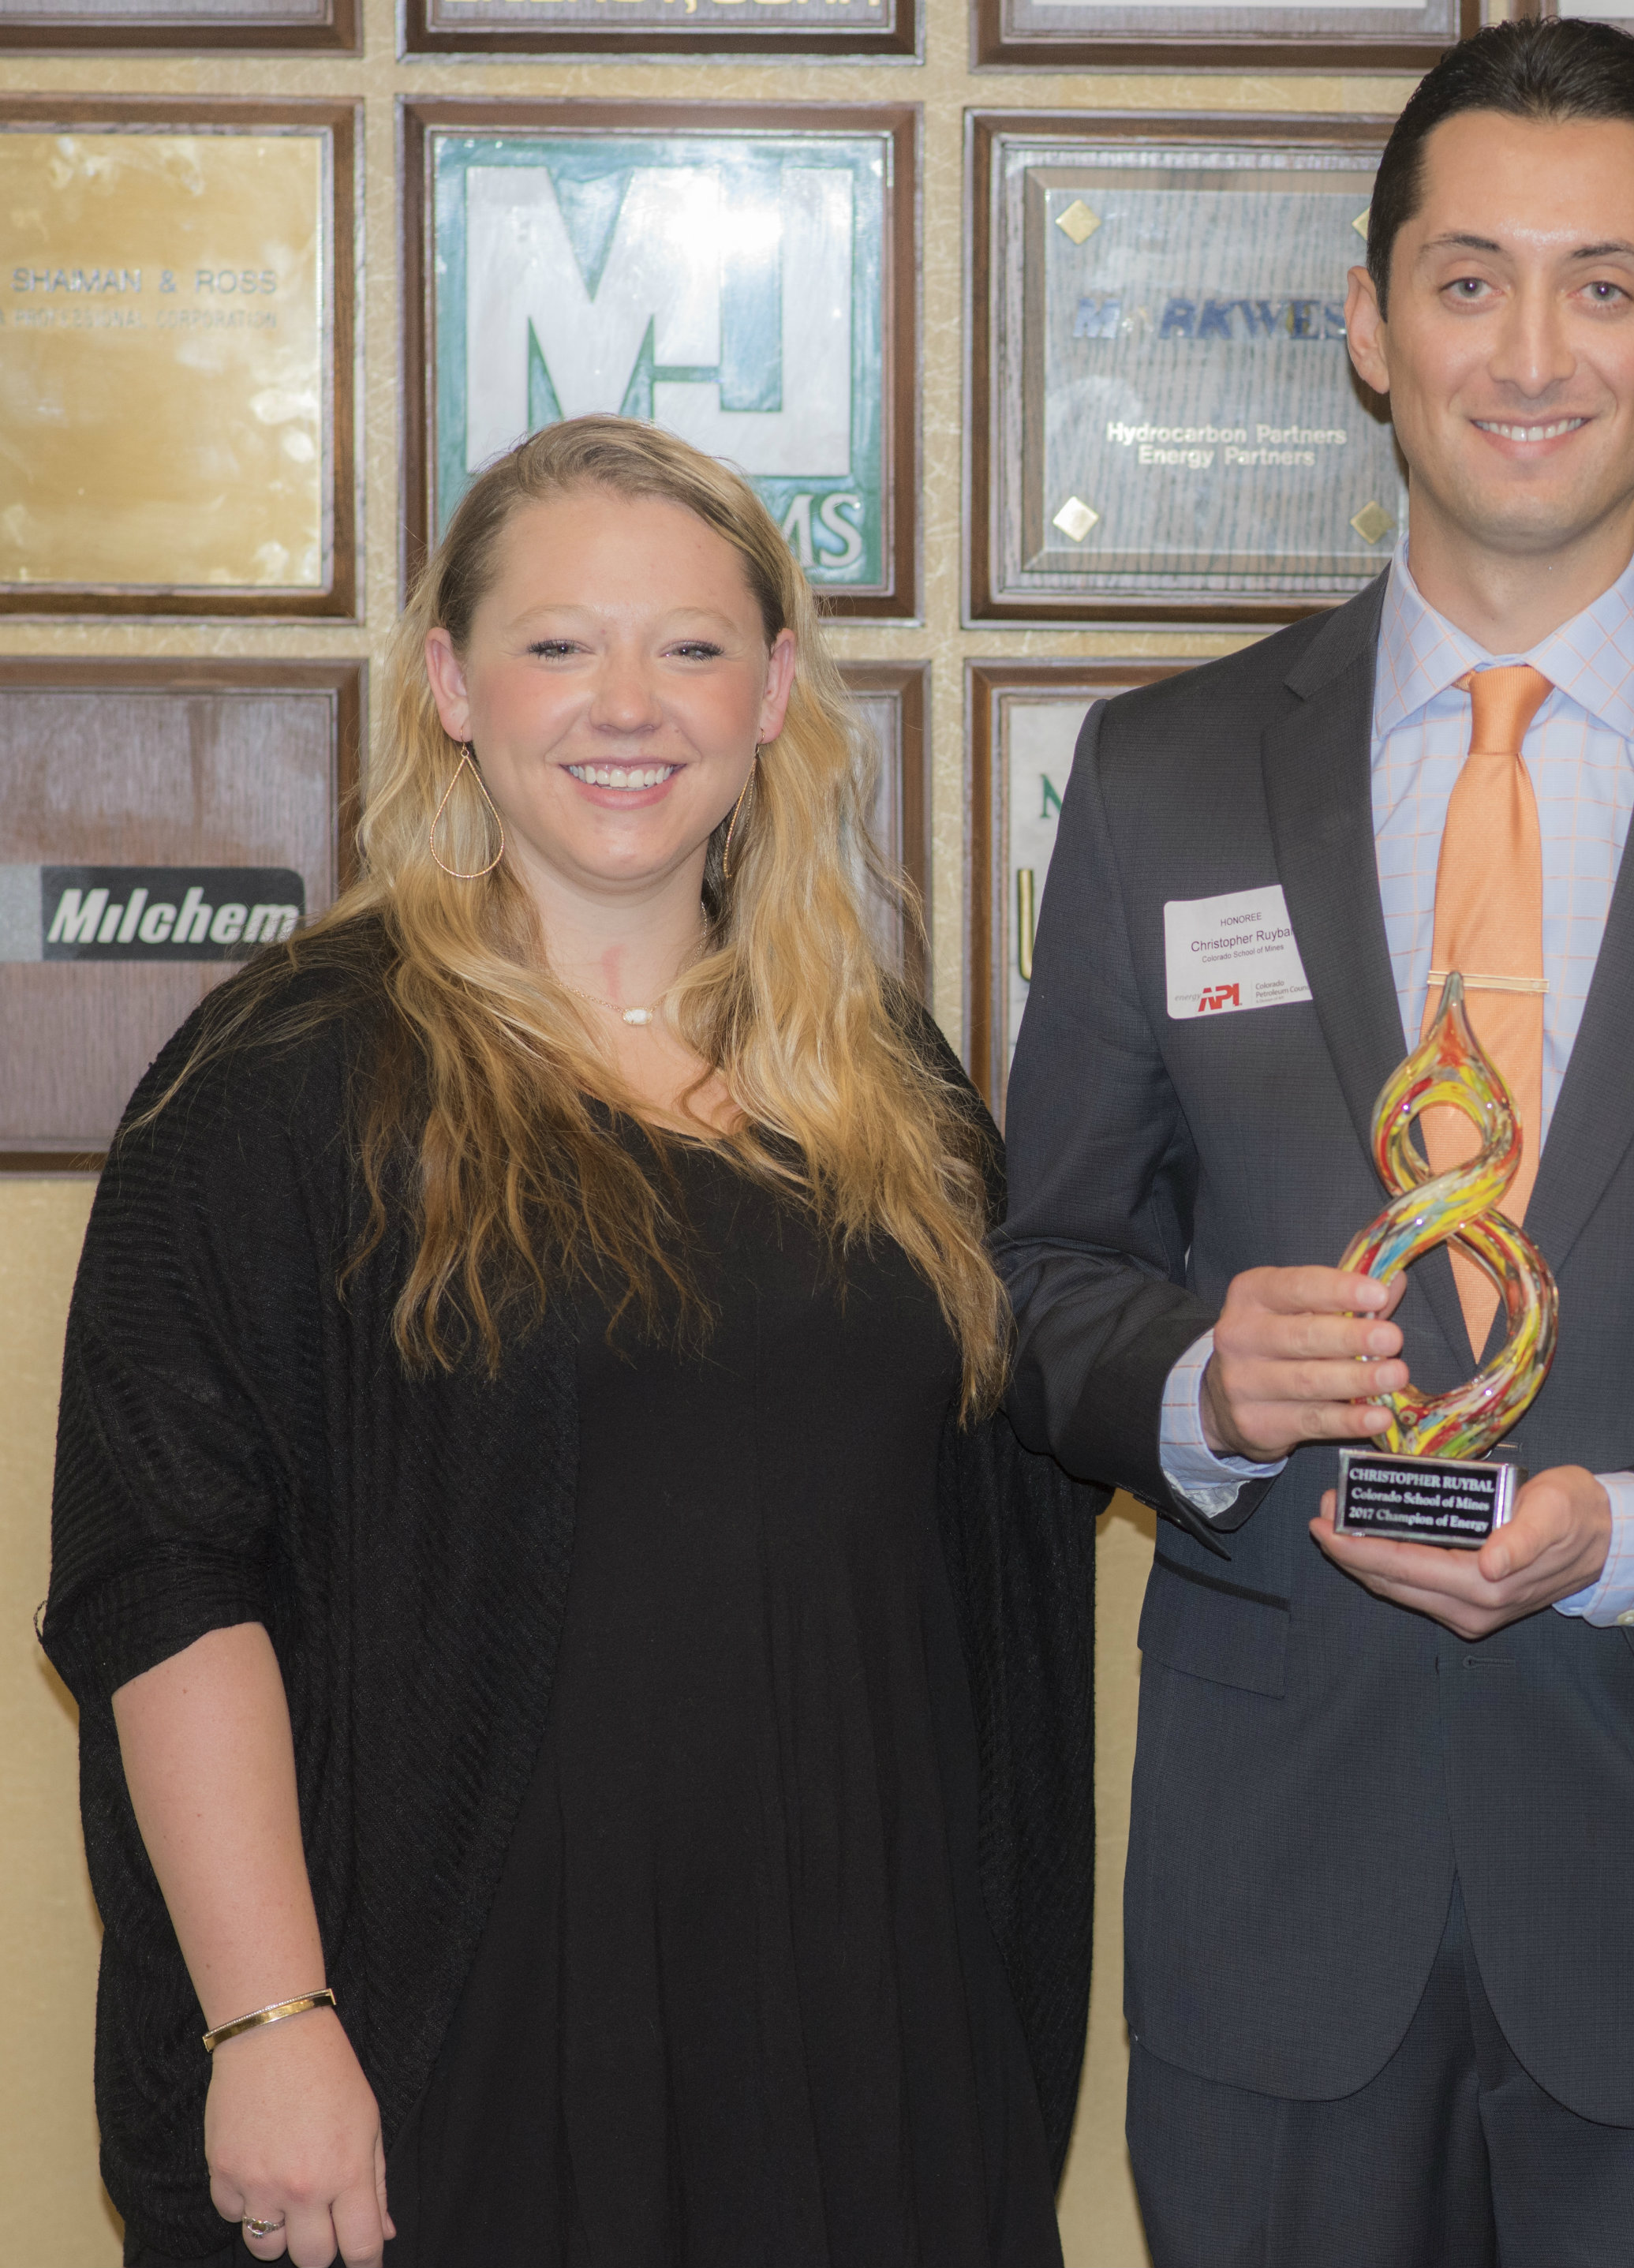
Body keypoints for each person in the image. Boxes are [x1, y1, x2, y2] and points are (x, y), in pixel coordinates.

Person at [993, 21, 1634, 2265]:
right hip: (1286, 1921)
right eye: (1466, 281)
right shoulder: (1160, 783)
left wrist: (1628, 1530)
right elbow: (1043, 1278)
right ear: (1367, 325)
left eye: (1605, 284)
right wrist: (1197, 1387)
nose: (1530, 352)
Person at [45, 414, 1097, 2268]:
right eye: (558, 644)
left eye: (690, 647)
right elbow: (164, 1581)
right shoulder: (281, 1088)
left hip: (865, 2022)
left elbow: (991, 1562)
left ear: (775, 691)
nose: (630, 704)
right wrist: (270, 2027)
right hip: (470, 2028)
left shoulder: (895, 1094)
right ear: (451, 685)